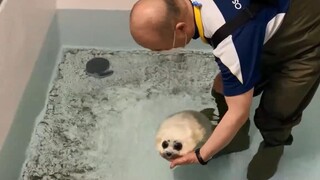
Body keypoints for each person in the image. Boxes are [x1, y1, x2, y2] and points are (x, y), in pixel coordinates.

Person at [129, 0, 320, 179]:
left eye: (160, 49)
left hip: (307, 35)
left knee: (277, 110)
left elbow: (238, 113)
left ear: (180, 29)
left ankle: (274, 145)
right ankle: (237, 139)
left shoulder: (230, 41)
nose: (159, 53)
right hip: (266, 20)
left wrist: (202, 155)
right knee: (222, 85)